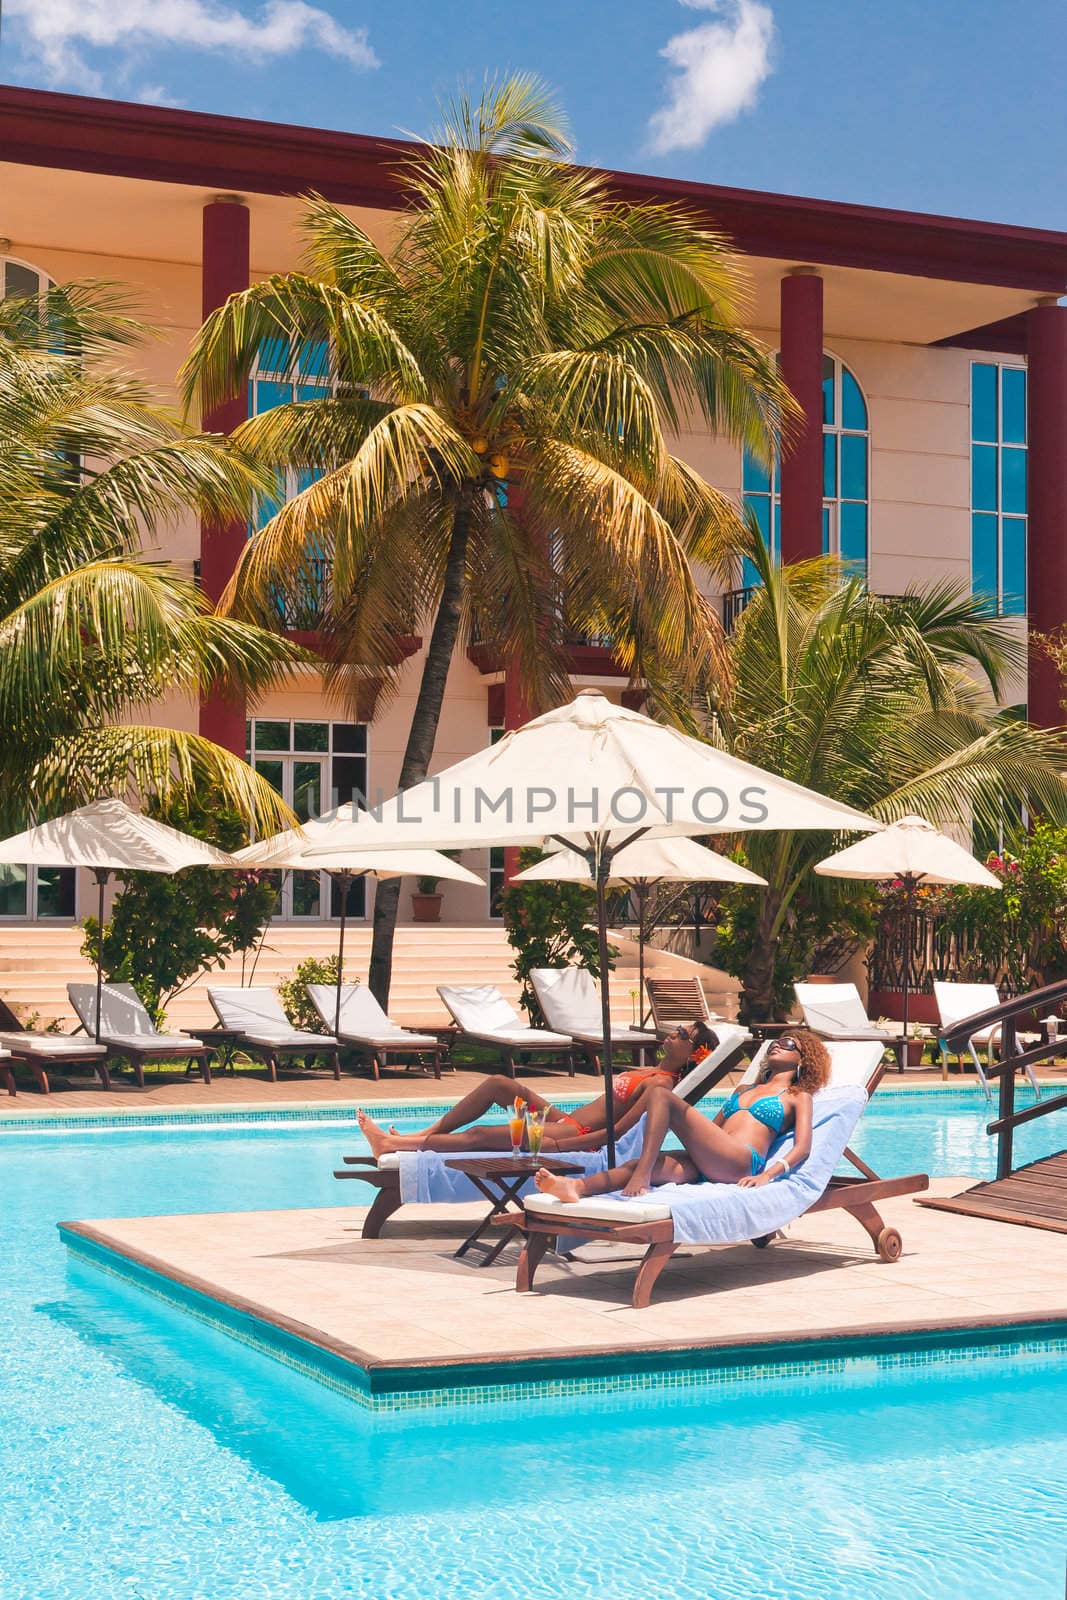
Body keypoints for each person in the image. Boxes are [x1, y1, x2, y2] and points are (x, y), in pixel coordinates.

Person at [534, 1028, 831, 1201]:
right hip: (710, 1160)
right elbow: (711, 1130)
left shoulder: (797, 1095)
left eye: (789, 1044)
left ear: (804, 1059)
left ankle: (641, 1176)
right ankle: (576, 1187)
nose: (779, 1044)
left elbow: (803, 1146)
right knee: (643, 1161)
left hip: (740, 1162)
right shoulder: (743, 1088)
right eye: (777, 1041)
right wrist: (674, 1134)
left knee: (662, 1096)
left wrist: (768, 1175)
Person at [356, 1021, 720, 1158]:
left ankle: (392, 1144)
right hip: (564, 1121)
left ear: (692, 1054)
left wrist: (564, 1145)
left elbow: (618, 1131)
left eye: (683, 1035)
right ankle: (426, 1133)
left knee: (482, 1135)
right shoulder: (652, 1069)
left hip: (576, 1136)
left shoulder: (660, 1084)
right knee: (500, 1085)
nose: (673, 1033)